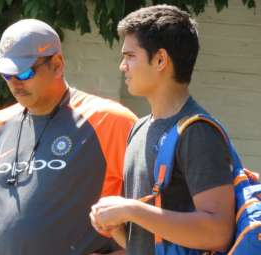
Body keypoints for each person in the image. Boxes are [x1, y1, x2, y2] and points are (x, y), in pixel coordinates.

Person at [0, 19, 137, 255]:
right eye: (7, 74)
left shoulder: (111, 121)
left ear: (57, 65)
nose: (14, 83)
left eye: (24, 72)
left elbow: (156, 206)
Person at [90, 5, 235, 255]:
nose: (122, 66)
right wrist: (115, 226)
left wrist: (131, 210)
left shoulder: (197, 132)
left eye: (130, 56)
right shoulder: (139, 128)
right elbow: (148, 244)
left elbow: (217, 233)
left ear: (160, 60)